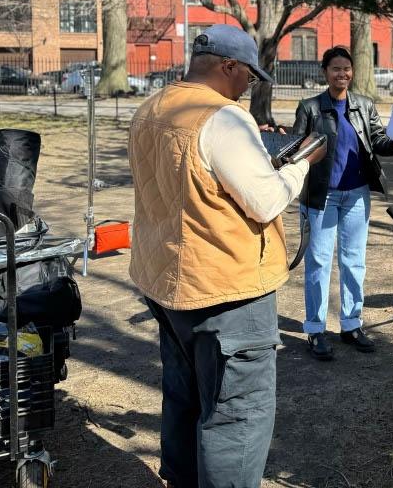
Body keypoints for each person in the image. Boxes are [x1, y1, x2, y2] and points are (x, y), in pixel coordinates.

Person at [128, 24, 326, 488]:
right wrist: (299, 164)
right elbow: (266, 201)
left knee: (184, 398)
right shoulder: (222, 118)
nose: (249, 87)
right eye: (248, 77)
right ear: (228, 67)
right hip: (227, 291)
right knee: (237, 417)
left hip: (168, 281)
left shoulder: (152, 107)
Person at [292, 46, 393, 360]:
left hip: (357, 194)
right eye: (335, 69)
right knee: (318, 262)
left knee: (354, 261)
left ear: (352, 72)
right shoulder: (310, 107)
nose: (342, 74)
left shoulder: (363, 105)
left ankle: (351, 324)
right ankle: (315, 329)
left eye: (346, 68)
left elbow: (378, 140)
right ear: (325, 72)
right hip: (321, 196)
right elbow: (296, 148)